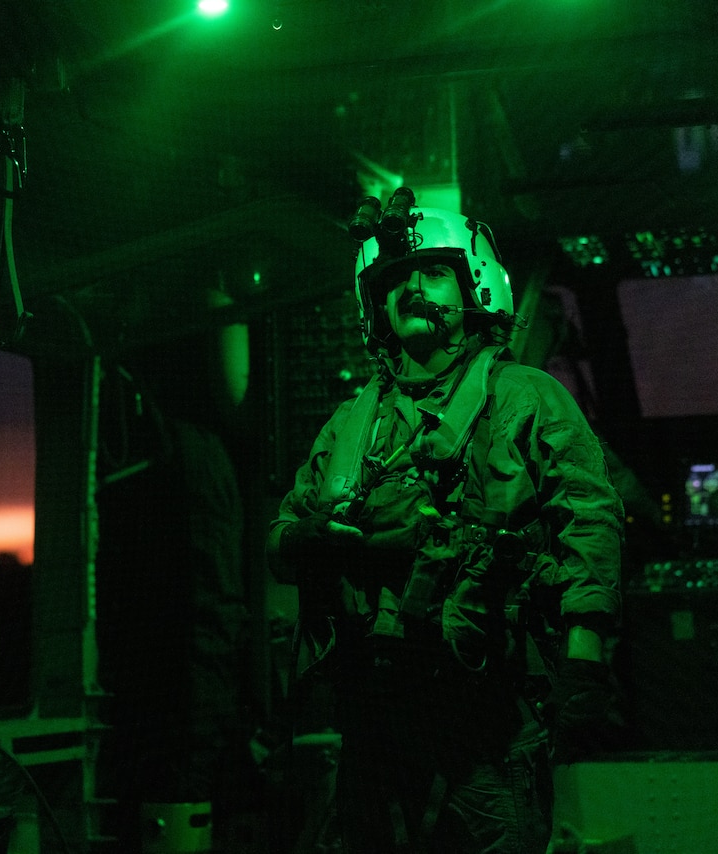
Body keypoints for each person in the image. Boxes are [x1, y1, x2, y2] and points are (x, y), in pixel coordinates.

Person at [266, 192, 624, 854]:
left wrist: (584, 652)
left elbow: (590, 517)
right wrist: (304, 538)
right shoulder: (353, 422)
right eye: (395, 280)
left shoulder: (525, 397)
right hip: (372, 715)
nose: (410, 289)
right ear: (374, 306)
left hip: (485, 710)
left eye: (431, 273)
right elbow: (281, 539)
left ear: (474, 286)